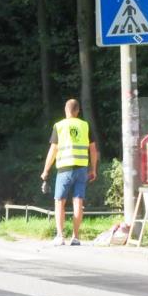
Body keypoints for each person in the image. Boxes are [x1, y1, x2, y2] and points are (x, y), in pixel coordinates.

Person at [40, 98, 99, 246]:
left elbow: (53, 150)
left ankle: (60, 236)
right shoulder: (85, 125)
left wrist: (46, 170)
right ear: (78, 111)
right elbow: (93, 149)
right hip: (81, 169)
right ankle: (76, 237)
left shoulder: (59, 126)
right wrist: (94, 169)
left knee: (59, 201)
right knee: (78, 201)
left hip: (64, 169)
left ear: (66, 110)